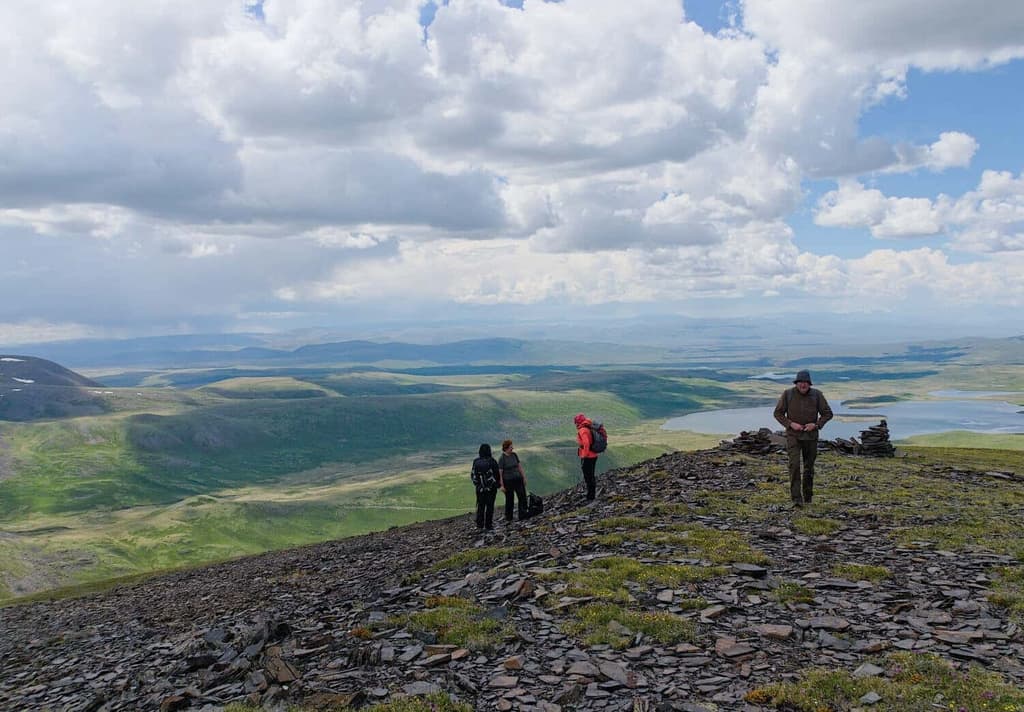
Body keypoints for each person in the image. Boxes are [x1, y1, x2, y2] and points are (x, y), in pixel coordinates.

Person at [773, 370, 833, 508]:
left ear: (809, 384)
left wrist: (816, 425)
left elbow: (828, 413)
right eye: (800, 382)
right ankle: (796, 499)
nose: (803, 385)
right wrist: (790, 424)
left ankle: (808, 497)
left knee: (808, 468)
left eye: (805, 382)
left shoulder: (817, 395)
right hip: (793, 436)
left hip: (811, 437)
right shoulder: (787, 394)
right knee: (794, 465)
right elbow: (778, 413)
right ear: (796, 383)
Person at [470, 443, 500, 531]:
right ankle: (488, 525)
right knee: (490, 506)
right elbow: (497, 474)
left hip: (480, 489)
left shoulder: (476, 461)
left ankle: (479, 524)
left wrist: (478, 485)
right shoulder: (492, 461)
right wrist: (497, 484)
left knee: (480, 506)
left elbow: (473, 475)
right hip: (491, 488)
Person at [498, 439, 528, 522]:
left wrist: (524, 477)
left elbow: (519, 467)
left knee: (522, 497)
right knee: (509, 499)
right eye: (511, 447)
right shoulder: (502, 458)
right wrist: (502, 485)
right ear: (506, 448)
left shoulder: (514, 455)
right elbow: (500, 473)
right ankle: (509, 517)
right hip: (508, 482)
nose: (512, 448)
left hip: (518, 479)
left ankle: (523, 514)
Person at [574, 413, 599, 501]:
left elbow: (586, 443)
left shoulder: (583, 430)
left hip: (588, 456)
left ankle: (590, 496)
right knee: (590, 475)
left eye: (576, 422)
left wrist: (584, 456)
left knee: (588, 476)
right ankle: (591, 494)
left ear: (578, 422)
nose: (575, 424)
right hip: (593, 455)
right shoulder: (588, 427)